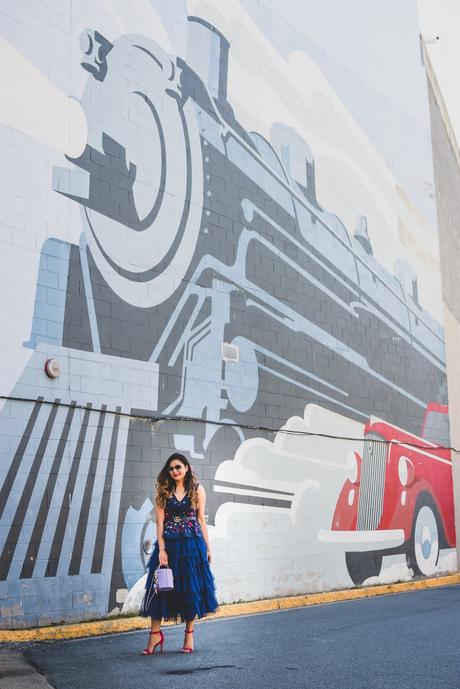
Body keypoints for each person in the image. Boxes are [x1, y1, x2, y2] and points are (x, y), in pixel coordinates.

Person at [140, 453, 219, 654]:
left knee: (190, 590)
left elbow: (201, 519)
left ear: (186, 467)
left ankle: (189, 635)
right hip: (170, 546)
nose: (174, 471)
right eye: (171, 468)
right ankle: (155, 635)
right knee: (160, 590)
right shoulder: (163, 492)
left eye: (178, 467)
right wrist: (162, 550)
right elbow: (160, 522)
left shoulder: (197, 489)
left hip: (193, 545)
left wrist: (208, 548)